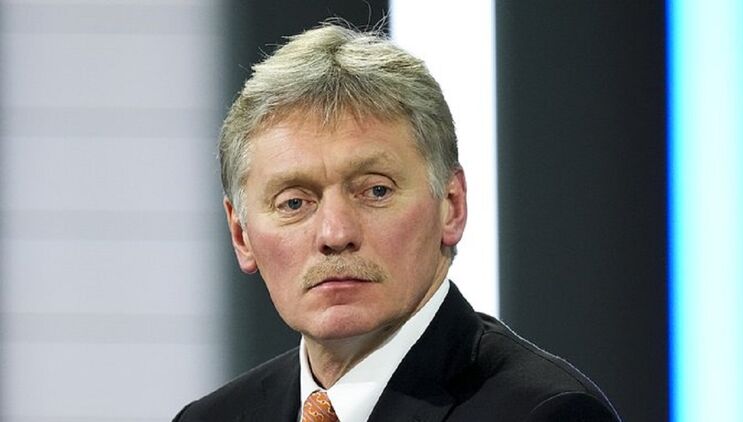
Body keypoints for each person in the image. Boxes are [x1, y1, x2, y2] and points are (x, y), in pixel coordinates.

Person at [173, 23, 620, 422]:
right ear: (241, 235)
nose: (335, 234)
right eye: (294, 203)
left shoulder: (546, 413)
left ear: (451, 206)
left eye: (376, 191)